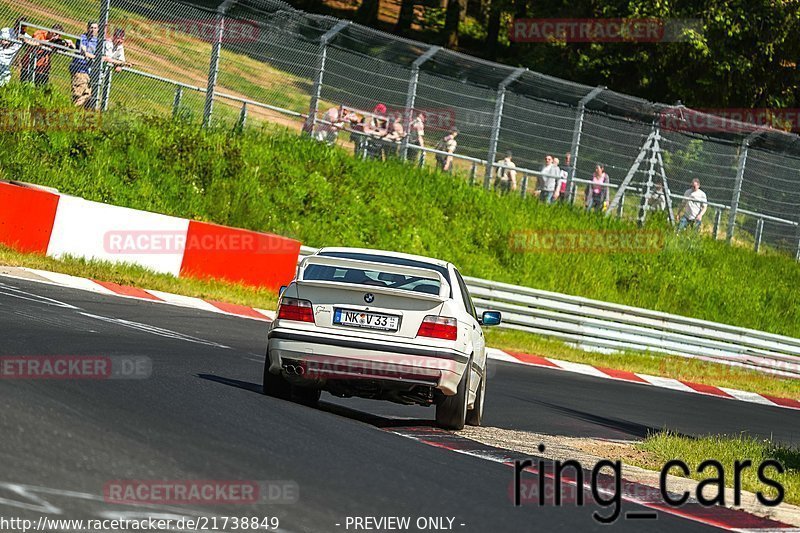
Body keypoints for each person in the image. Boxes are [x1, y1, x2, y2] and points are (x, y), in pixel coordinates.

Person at [70, 21, 99, 108]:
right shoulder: (82, 38)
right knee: (78, 93)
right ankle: (72, 109)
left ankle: (73, 108)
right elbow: (83, 52)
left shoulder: (97, 41)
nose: (92, 30)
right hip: (79, 68)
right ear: (87, 28)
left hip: (89, 71)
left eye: (95, 28)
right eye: (91, 27)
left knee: (87, 94)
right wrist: (95, 58)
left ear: (97, 30)